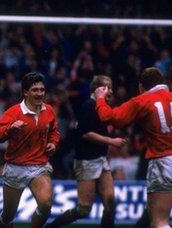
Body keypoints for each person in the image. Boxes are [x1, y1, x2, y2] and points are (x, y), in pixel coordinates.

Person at [94, 68, 172, 228]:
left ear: (141, 87)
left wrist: (100, 99)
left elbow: (109, 117)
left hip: (163, 163)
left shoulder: (142, 100)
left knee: (159, 222)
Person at [47, 75, 125, 227]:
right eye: (106, 88)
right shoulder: (89, 105)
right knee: (84, 209)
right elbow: (86, 133)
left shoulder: (101, 106)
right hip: (86, 161)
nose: (110, 91)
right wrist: (111, 141)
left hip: (100, 159)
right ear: (96, 90)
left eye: (111, 88)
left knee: (110, 203)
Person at [0, 72, 60, 228]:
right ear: (25, 92)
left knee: (46, 204)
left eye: (42, 90)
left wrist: (53, 143)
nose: (39, 93)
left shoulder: (48, 111)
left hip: (39, 166)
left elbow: (54, 131)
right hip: (15, 168)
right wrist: (9, 129)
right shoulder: (14, 112)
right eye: (35, 90)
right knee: (8, 215)